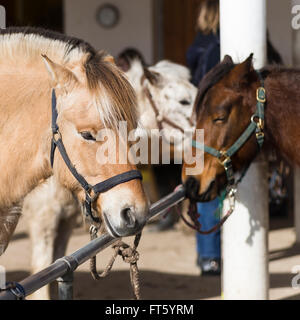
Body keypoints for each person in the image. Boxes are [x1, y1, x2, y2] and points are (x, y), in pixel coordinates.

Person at [186, 0, 283, 276]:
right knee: (214, 183)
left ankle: (208, 254)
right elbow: (270, 66)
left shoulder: (200, 45)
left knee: (203, 186)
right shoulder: (226, 43)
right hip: (221, 122)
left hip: (200, 121)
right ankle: (213, 253)